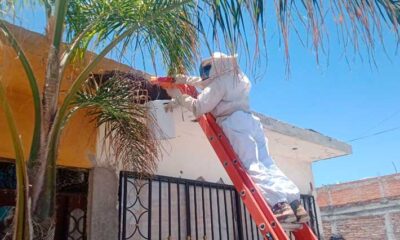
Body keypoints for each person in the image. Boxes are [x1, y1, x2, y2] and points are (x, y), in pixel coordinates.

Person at [165, 52, 309, 223]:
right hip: (251, 122)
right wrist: (182, 79)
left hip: (234, 122)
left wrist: (178, 96)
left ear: (216, 67)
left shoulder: (218, 83)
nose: (204, 73)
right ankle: (295, 203)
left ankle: (279, 204)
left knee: (251, 166)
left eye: (208, 69)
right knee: (267, 164)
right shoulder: (237, 78)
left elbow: (199, 107)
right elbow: (205, 82)